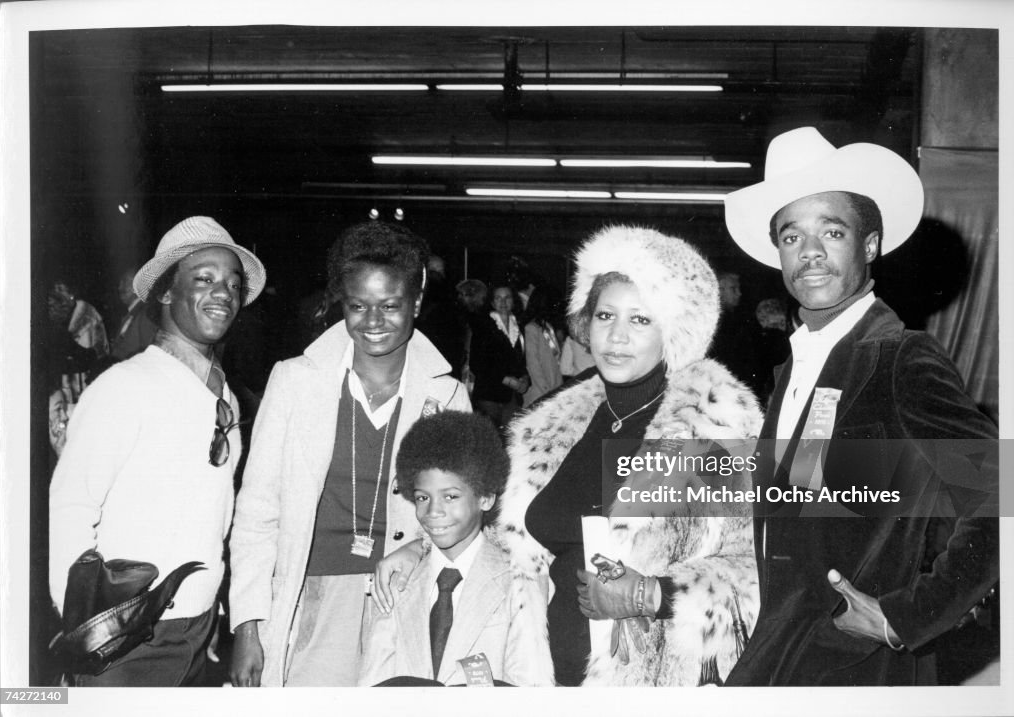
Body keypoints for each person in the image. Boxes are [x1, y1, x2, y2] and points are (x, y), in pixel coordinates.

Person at [378, 226, 764, 686]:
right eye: (605, 316)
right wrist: (422, 549)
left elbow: (759, 572)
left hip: (654, 689)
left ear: (673, 330)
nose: (617, 336)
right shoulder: (553, 424)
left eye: (640, 320)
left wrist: (652, 594)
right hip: (542, 681)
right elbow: (506, 536)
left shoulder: (710, 427)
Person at [721, 126, 999, 685]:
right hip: (780, 647)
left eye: (832, 230)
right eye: (792, 236)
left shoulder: (900, 357)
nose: (812, 253)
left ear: (869, 245)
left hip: (856, 664)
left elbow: (1001, 491)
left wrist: (906, 616)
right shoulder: (796, 367)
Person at [228, 221, 471, 688]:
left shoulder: (447, 395)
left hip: (405, 597)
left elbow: (459, 517)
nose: (373, 322)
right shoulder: (295, 381)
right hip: (315, 596)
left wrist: (417, 546)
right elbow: (257, 511)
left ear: (416, 302)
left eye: (390, 305)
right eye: (357, 305)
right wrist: (247, 624)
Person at [49, 215, 266, 686]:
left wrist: (209, 612)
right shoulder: (124, 387)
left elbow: (214, 516)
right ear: (166, 292)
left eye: (232, 283)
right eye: (204, 279)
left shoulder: (224, 396)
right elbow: (71, 505)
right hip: (127, 635)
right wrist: (86, 628)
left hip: (195, 627)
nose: (223, 293)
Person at [360, 411, 553, 687]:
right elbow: (371, 682)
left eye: (450, 497)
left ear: (485, 498)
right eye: (422, 498)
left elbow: (528, 685)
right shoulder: (397, 581)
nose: (433, 511)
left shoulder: (521, 582)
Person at [468, 284, 528, 430]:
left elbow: (520, 362)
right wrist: (507, 380)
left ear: (514, 301)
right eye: (498, 298)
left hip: (511, 397)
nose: (503, 302)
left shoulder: (518, 326)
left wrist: (525, 378)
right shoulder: (483, 326)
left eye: (507, 298)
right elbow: (477, 364)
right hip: (489, 397)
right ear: (492, 302)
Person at [521, 286, 563, 406]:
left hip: (553, 387)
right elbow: (532, 363)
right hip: (539, 392)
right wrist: (545, 391)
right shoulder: (531, 329)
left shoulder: (547, 327)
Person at [109, 267, 158, 360]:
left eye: (125, 282)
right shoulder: (133, 313)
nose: (120, 287)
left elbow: (147, 352)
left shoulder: (145, 313)